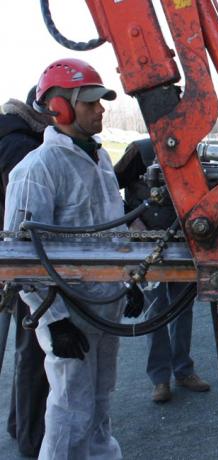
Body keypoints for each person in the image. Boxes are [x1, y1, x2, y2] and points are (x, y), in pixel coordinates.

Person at [4, 58, 133, 459]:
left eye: (101, 102)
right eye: (90, 102)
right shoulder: (37, 168)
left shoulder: (100, 161)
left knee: (99, 400)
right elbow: (20, 258)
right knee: (69, 406)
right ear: (59, 107)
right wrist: (53, 320)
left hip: (104, 305)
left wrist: (129, 281)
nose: (100, 110)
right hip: (68, 311)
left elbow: (114, 228)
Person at [113, 139, 210, 403]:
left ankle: (183, 370)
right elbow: (109, 187)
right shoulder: (139, 151)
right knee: (155, 310)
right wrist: (131, 220)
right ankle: (160, 378)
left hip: (182, 240)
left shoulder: (193, 152)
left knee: (181, 308)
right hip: (147, 244)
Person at [1, 85, 52, 456]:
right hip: (12, 259)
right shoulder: (22, 148)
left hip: (10, 257)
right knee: (30, 350)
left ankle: (20, 426)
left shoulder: (14, 136)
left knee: (27, 348)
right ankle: (30, 440)